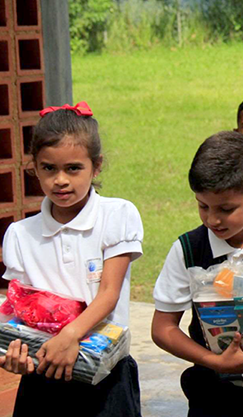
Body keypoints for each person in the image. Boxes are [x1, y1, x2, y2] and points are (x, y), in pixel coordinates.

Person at [0, 102, 144, 416]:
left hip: (105, 375)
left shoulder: (117, 216)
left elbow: (108, 293)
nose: (60, 180)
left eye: (73, 168)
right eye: (49, 168)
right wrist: (15, 351)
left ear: (97, 165)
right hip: (42, 376)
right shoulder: (20, 234)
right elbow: (19, 308)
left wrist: (70, 336)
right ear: (34, 167)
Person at [152, 131, 243, 417]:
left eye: (226, 209)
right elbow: (163, 328)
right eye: (202, 206)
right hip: (212, 394)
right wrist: (214, 361)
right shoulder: (189, 249)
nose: (212, 219)